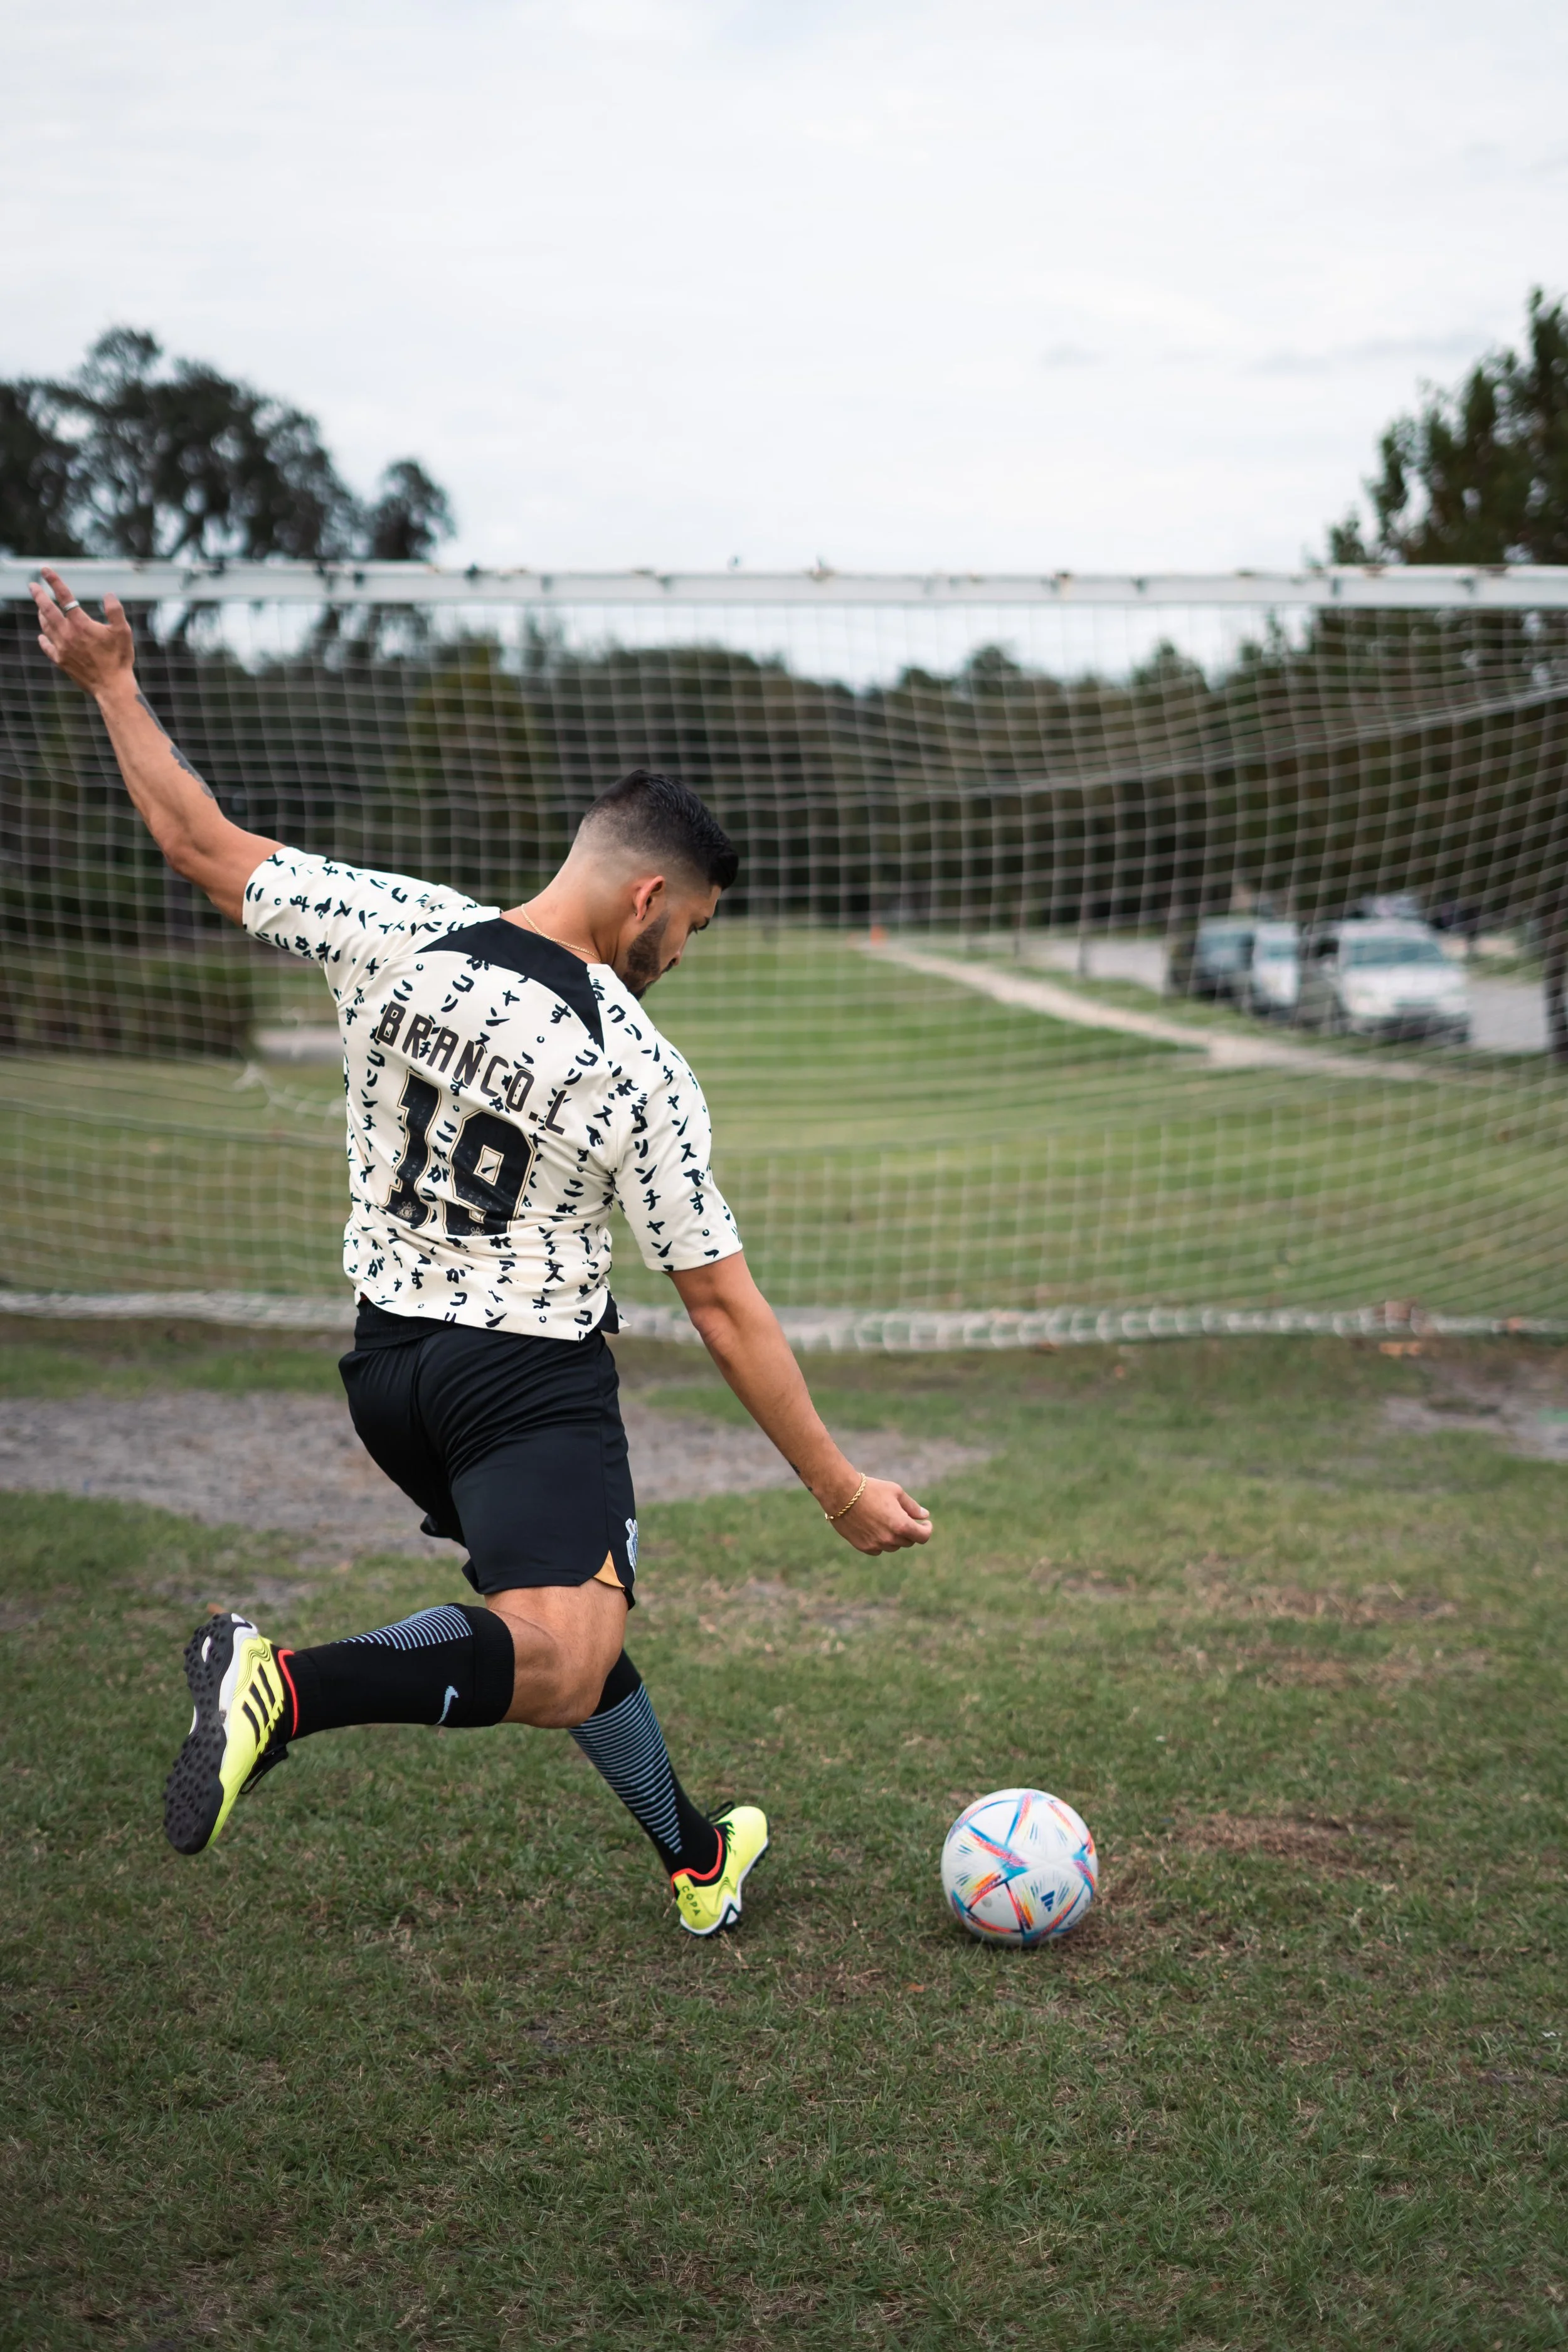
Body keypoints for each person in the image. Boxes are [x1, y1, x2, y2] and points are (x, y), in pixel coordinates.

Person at [29, 568, 933, 1937]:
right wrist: (838, 1489)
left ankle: (697, 1857)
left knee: (562, 1616)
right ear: (645, 897)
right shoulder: (635, 1064)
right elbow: (724, 1306)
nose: (675, 958)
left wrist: (109, 684)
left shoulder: (396, 927)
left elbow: (200, 844)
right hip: (521, 1387)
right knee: (562, 1653)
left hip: (387, 1373)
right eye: (683, 931)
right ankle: (284, 1692)